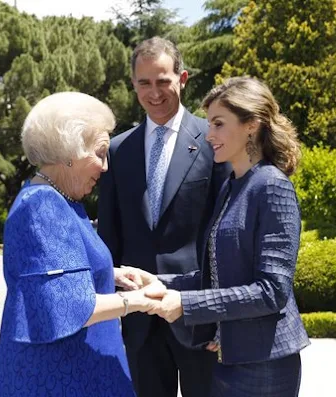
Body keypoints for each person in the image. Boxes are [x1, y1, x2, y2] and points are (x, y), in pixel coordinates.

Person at [140, 76, 311, 396]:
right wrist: (157, 283)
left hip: (265, 366)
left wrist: (185, 304)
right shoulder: (232, 186)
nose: (209, 135)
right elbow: (217, 276)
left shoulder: (272, 186)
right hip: (228, 359)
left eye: (218, 124)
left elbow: (272, 291)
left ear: (251, 125)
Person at [0, 92, 164, 397]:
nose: (106, 166)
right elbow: (69, 306)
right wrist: (140, 301)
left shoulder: (64, 201)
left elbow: (54, 276)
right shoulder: (43, 205)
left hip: (77, 372)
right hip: (59, 378)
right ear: (70, 153)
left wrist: (111, 275)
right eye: (100, 153)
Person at [97, 37, 231, 397]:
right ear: (134, 85)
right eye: (144, 83)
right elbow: (110, 236)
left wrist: (221, 316)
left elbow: (226, 234)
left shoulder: (215, 140)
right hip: (138, 321)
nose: (154, 93)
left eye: (163, 81)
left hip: (197, 315)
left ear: (182, 79)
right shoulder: (117, 150)